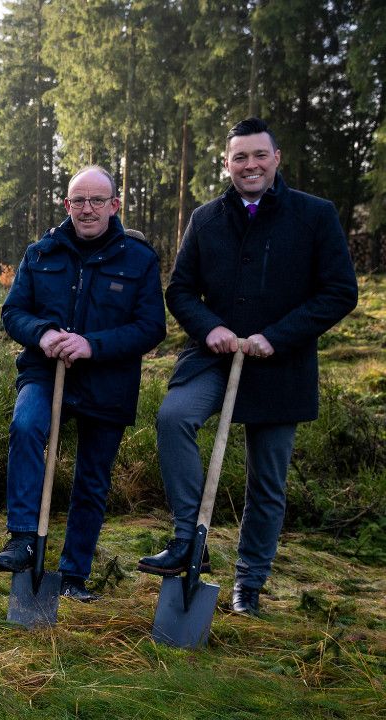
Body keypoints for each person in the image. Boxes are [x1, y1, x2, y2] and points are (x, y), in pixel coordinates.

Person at [137, 118, 358, 616]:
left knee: (267, 481)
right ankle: (189, 540)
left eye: (259, 155)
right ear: (227, 164)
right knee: (174, 418)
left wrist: (275, 337)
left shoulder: (314, 215)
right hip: (214, 356)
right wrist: (209, 327)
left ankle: (249, 584)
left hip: (280, 363)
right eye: (240, 157)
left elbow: (340, 291)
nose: (250, 165)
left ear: (277, 159)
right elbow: (180, 289)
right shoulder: (207, 218)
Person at [0, 166, 165, 601]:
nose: (87, 209)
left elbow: (151, 327)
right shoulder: (41, 253)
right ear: (66, 205)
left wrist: (93, 345)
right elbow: (13, 312)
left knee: (92, 477)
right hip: (45, 371)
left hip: (108, 380)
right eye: (78, 201)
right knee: (27, 426)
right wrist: (44, 333)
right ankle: (24, 537)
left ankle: (73, 576)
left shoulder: (139, 259)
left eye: (97, 201)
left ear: (114, 205)